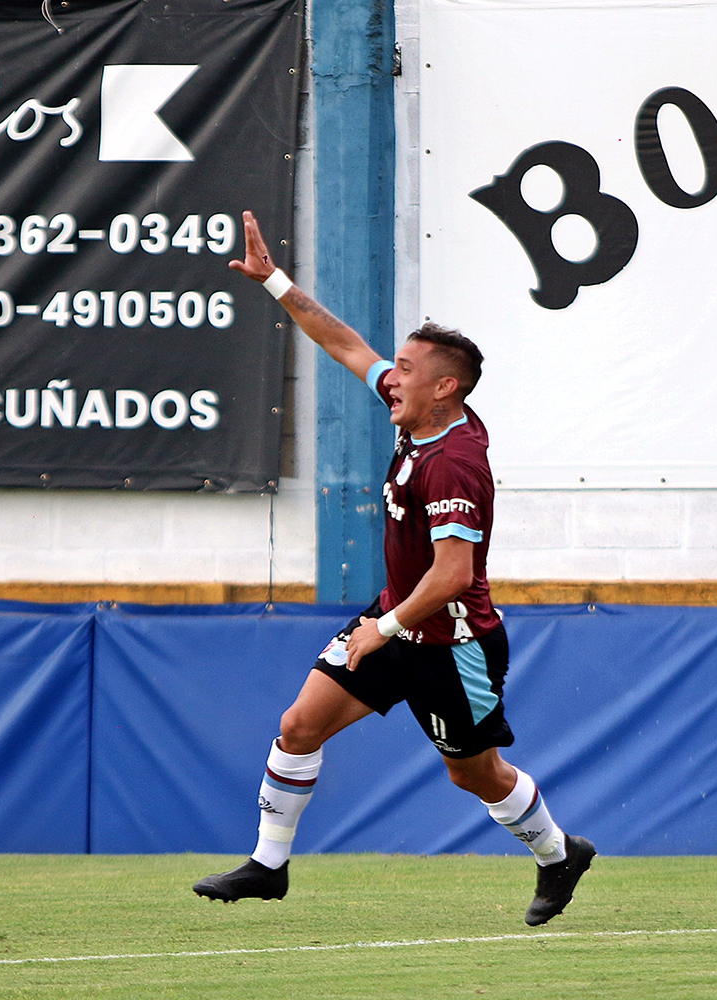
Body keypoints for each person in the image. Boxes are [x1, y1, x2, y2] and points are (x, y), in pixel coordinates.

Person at [193, 212, 595, 926]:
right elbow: (345, 344)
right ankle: (268, 866)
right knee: (298, 726)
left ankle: (559, 853)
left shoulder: (453, 464)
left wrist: (383, 627)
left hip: (454, 645)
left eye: (406, 370)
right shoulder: (422, 416)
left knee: (473, 773)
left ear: (446, 389)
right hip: (397, 622)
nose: (390, 376)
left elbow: (450, 575)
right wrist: (274, 281)